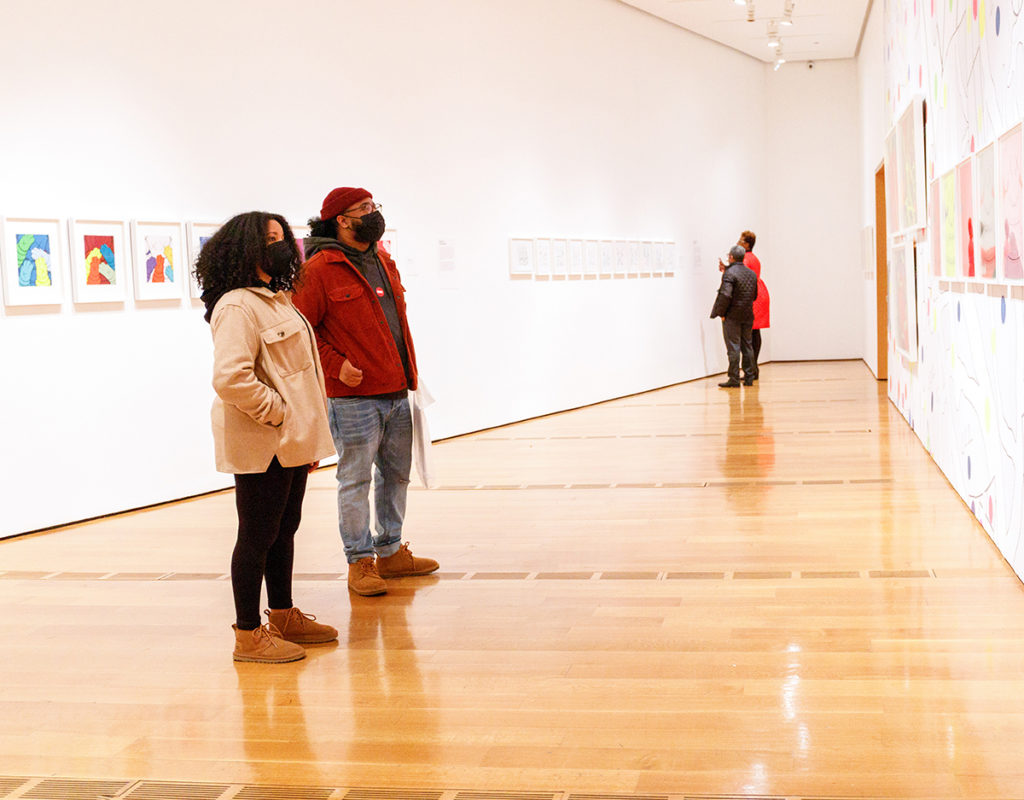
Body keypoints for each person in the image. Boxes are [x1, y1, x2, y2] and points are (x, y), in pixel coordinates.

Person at [196, 211, 338, 663]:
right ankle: (247, 634)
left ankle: (282, 613)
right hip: (263, 443)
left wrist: (305, 433)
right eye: (271, 239)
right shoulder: (237, 305)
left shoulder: (277, 299)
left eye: (283, 237)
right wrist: (278, 414)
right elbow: (231, 378)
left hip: (289, 441)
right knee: (257, 535)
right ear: (247, 249)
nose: (282, 246)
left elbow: (302, 374)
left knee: (284, 530)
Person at [292, 187, 438, 598]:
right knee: (354, 480)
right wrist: (338, 366)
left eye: (374, 207)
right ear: (341, 219)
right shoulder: (319, 269)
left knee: (395, 475)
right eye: (363, 209)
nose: (372, 214)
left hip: (396, 390)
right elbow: (303, 333)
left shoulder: (382, 259)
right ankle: (360, 562)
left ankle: (390, 550)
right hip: (352, 399)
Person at [711, 244, 758, 388]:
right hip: (748, 314)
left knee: (733, 347)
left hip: (732, 316)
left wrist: (720, 313)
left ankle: (734, 378)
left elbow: (725, 295)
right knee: (747, 346)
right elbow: (754, 295)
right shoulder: (751, 273)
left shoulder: (729, 274)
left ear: (731, 257)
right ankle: (749, 377)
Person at [739, 230, 770, 381]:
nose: (738, 242)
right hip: (760, 293)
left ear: (746, 243)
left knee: (749, 335)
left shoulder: (745, 258)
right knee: (755, 333)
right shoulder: (754, 258)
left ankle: (751, 370)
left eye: (740, 240)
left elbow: (741, 276)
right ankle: (753, 368)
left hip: (753, 296)